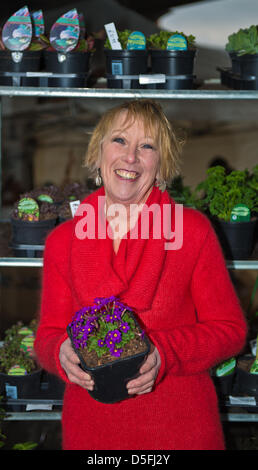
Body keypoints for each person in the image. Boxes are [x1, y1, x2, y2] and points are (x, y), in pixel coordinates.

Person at [35, 99, 247, 450]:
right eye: (119, 140)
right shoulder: (62, 241)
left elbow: (230, 330)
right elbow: (48, 333)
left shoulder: (192, 231)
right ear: (98, 152)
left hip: (181, 432)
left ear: (160, 164)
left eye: (146, 146)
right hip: (92, 433)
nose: (130, 157)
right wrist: (59, 352)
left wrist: (164, 353)